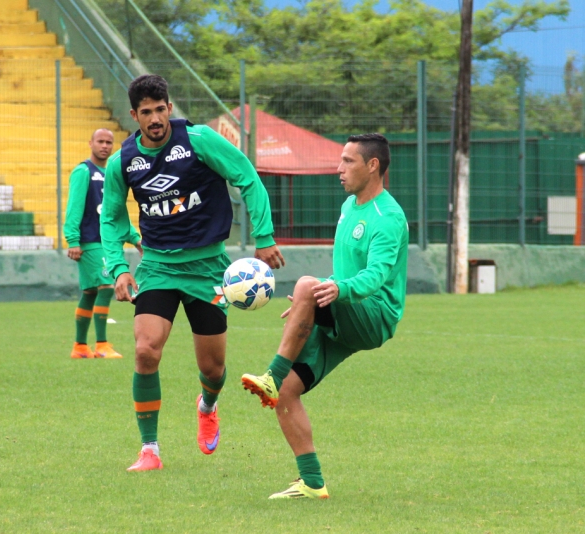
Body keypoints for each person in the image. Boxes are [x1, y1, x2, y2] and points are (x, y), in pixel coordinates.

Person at [100, 74, 285, 472]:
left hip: (208, 268)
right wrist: (118, 268)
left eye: (160, 109)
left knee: (212, 368)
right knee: (146, 350)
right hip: (158, 267)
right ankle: (149, 449)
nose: (154, 118)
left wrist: (265, 237)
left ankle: (208, 405)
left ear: (169, 107)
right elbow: (111, 219)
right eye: (145, 112)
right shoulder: (122, 161)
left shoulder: (198, 140)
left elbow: (247, 178)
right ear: (134, 115)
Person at [241, 133, 408, 499]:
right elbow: (346, 271)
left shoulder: (388, 217)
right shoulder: (350, 206)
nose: (339, 169)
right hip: (346, 308)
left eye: (348, 161)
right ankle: (312, 482)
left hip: (374, 315)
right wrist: (310, 304)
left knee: (305, 284)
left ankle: (271, 373)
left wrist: (332, 290)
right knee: (287, 393)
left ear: (373, 165)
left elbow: (377, 275)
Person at [64, 128, 142, 359]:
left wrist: (135, 238)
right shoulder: (83, 171)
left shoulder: (111, 173)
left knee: (90, 292)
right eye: (100, 141)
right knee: (107, 286)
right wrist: (73, 240)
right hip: (90, 241)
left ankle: (79, 347)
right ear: (91, 143)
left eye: (109, 142)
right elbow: (74, 207)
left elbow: (115, 213)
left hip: (105, 241)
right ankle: (101, 344)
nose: (105, 146)